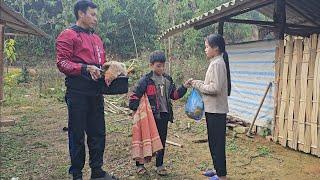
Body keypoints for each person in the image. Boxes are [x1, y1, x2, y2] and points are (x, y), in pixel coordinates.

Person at [56, 1, 114, 179]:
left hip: (96, 91)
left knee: (98, 132)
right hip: (78, 92)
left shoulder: (96, 38)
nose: (96, 18)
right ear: (81, 14)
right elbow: (62, 62)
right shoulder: (68, 35)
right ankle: (77, 174)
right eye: (92, 14)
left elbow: (101, 63)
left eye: (96, 15)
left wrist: (110, 71)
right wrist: (85, 68)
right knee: (77, 133)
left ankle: (97, 171)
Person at [129, 50, 191, 176]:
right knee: (144, 139)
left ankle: (159, 165)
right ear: (151, 65)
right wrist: (136, 112)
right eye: (158, 65)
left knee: (161, 141)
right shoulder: (145, 80)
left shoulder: (168, 79)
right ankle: (140, 165)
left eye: (163, 65)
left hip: (164, 115)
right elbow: (134, 97)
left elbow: (174, 95)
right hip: (149, 117)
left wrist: (184, 86)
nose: (161, 68)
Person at [190, 34, 231, 180]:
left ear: (216, 48)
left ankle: (222, 176)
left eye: (207, 46)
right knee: (213, 142)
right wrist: (197, 82)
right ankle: (217, 169)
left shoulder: (218, 63)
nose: (205, 49)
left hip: (216, 111)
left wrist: (198, 85)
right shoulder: (215, 62)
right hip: (212, 109)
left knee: (218, 144)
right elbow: (212, 83)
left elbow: (215, 88)